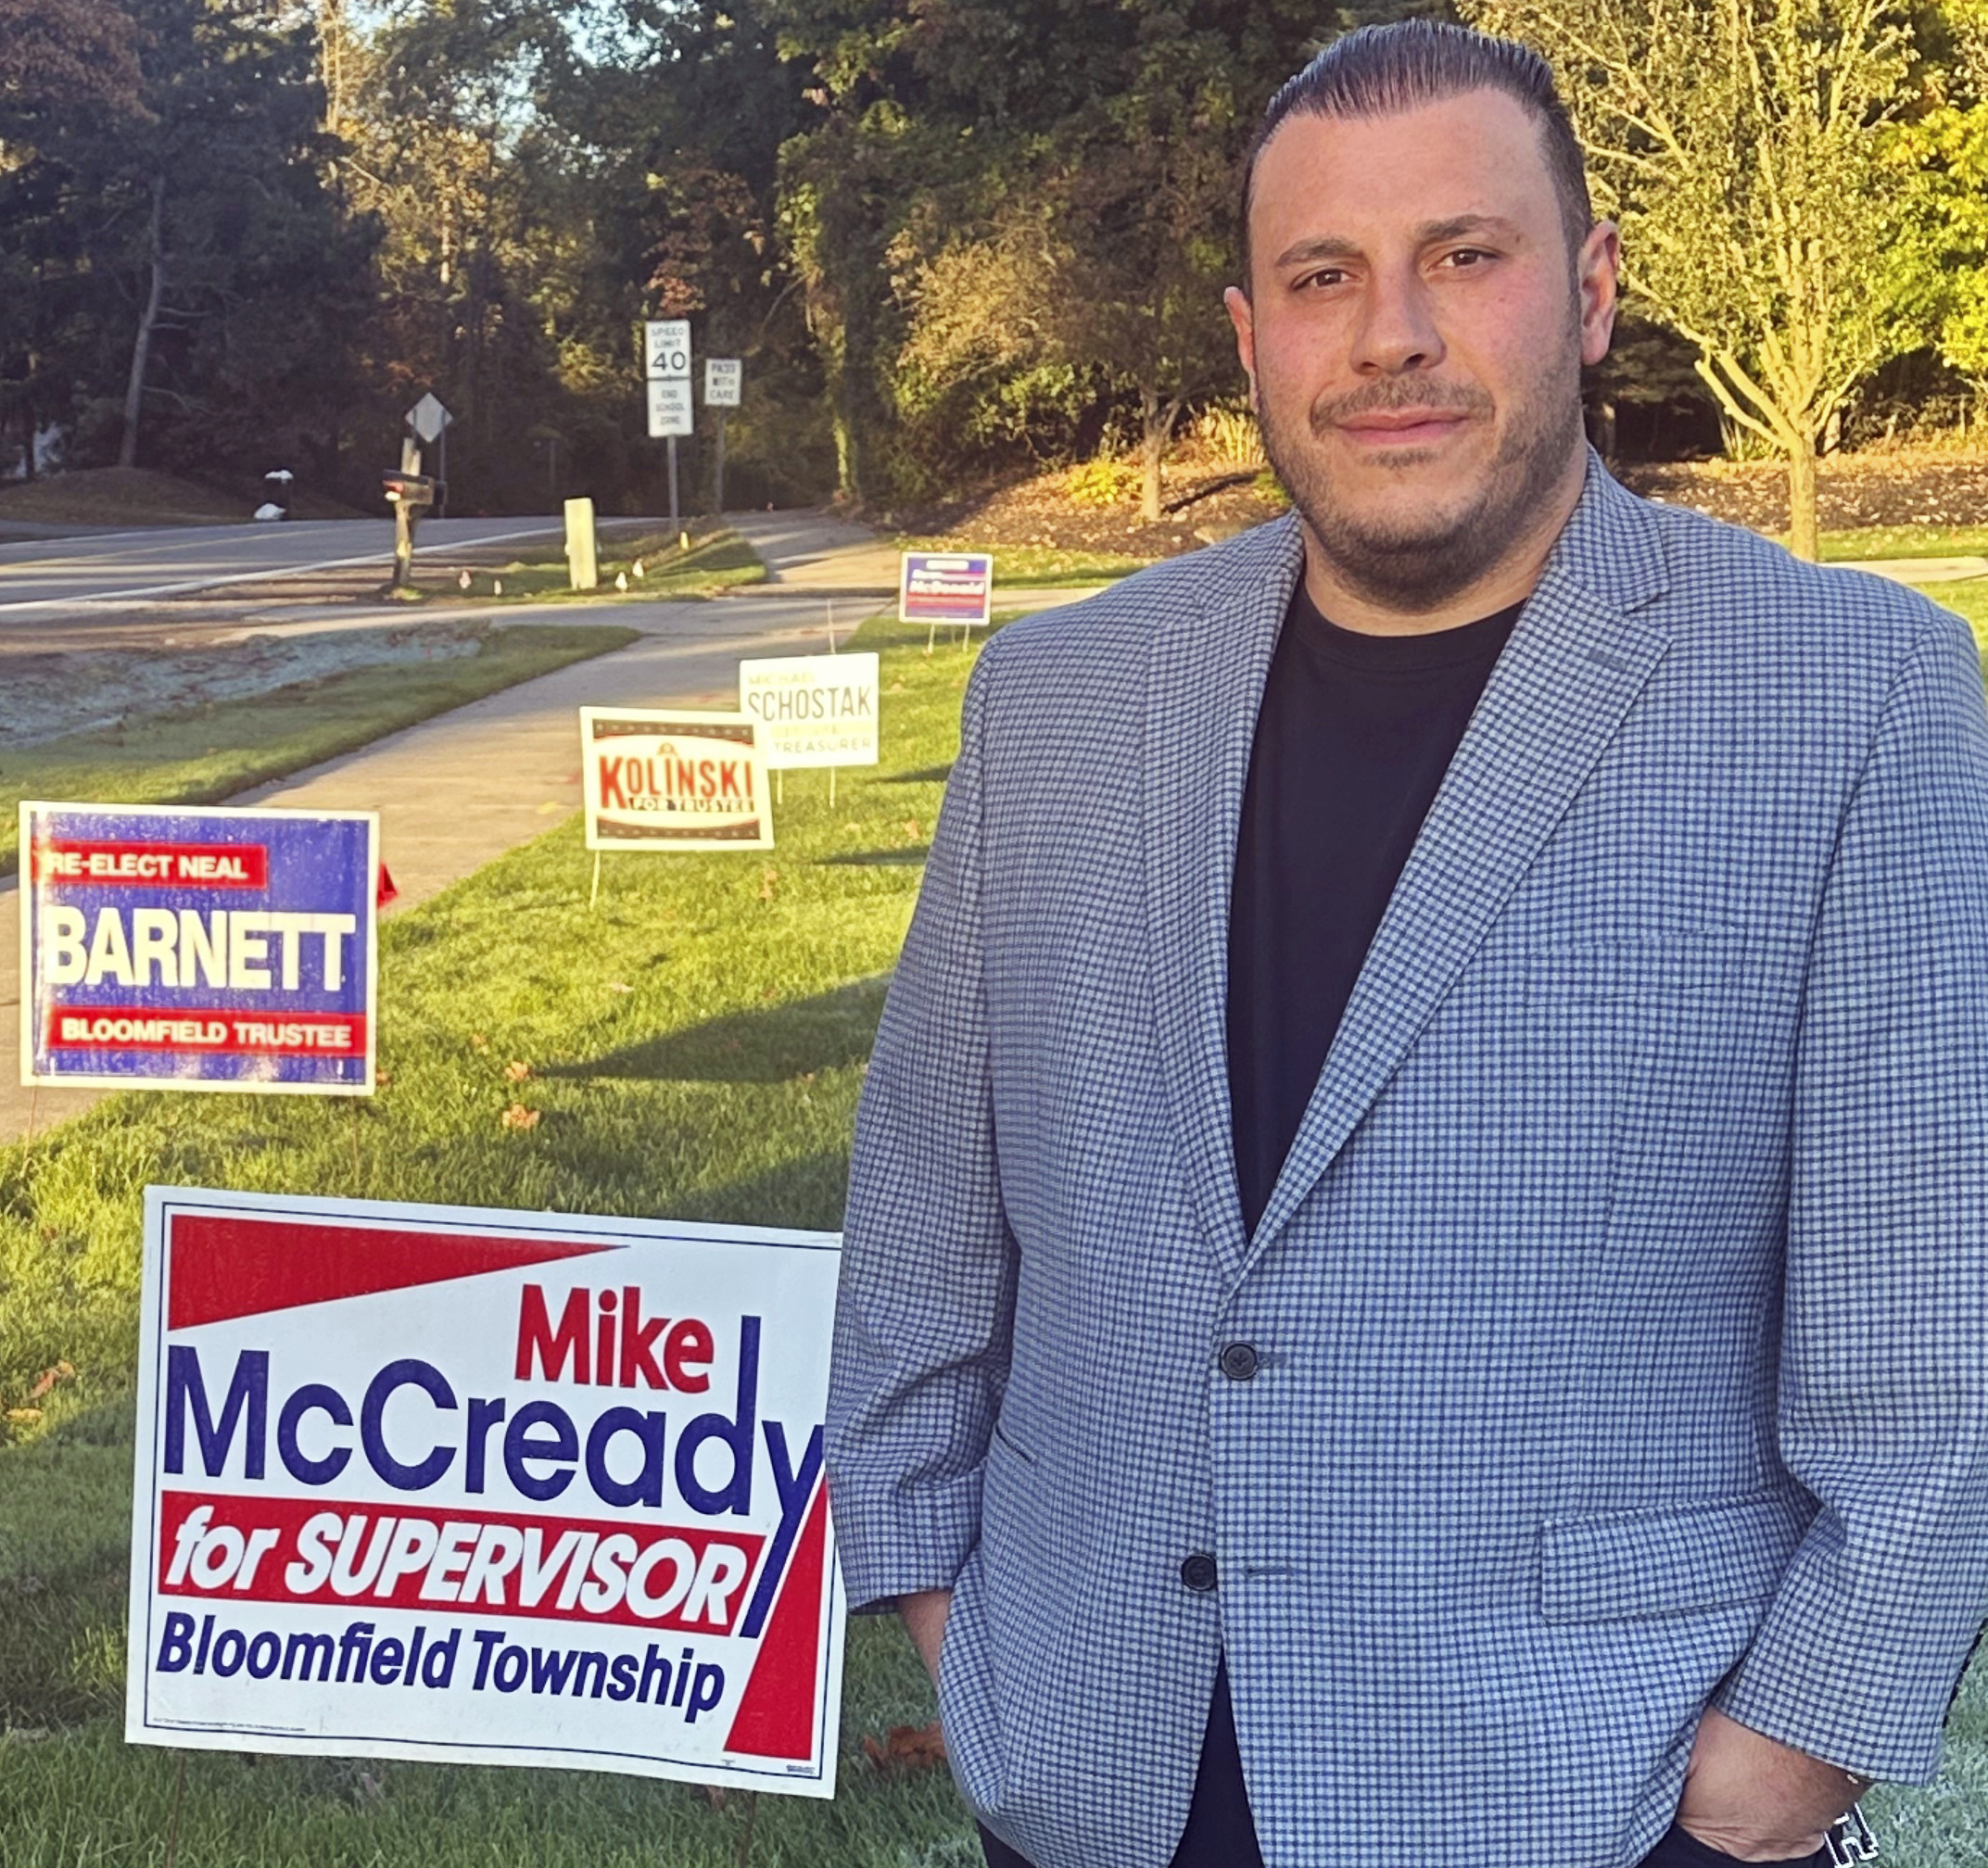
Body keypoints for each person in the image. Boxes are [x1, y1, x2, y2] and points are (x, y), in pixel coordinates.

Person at [827, 20, 1988, 1868]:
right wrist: (956, 1633)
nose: (1392, 335)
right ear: (1250, 337)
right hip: (1101, 1774)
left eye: (1466, 255)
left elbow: (1935, 1323)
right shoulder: (1054, 700)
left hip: (1597, 1805)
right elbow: (921, 1229)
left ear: (1590, 292)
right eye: (1324, 278)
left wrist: (1786, 1774)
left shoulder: (1853, 698)